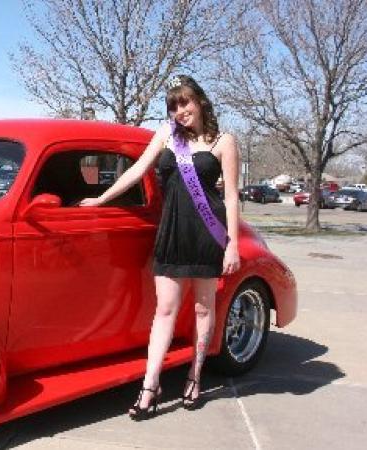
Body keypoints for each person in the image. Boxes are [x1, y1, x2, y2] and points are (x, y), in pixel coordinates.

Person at [78, 75, 241, 419]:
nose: (180, 111)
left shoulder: (225, 142)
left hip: (207, 234)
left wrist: (232, 245)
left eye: (185, 103)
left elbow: (230, 197)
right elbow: (137, 171)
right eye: (174, 106)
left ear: (199, 101)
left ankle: (195, 377)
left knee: (202, 309)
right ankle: (150, 384)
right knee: (164, 310)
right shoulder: (167, 135)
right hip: (171, 233)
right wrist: (101, 200)